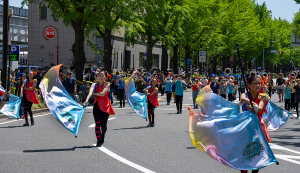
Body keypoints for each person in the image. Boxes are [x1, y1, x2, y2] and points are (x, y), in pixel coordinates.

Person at [240, 76, 271, 173]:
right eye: (254, 83)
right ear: (248, 85)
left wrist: (256, 108)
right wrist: (252, 103)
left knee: (258, 152)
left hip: (258, 127)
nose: (257, 85)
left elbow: (260, 108)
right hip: (246, 126)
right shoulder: (244, 94)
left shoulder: (263, 96)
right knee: (245, 151)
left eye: (259, 83)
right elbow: (242, 99)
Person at [84, 71, 115, 147]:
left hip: (105, 106)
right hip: (97, 106)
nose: (101, 77)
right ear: (97, 76)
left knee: (103, 126)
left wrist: (94, 94)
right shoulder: (94, 84)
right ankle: (98, 141)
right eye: (100, 75)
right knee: (97, 124)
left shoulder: (107, 84)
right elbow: (90, 93)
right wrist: (86, 100)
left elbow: (102, 94)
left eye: (103, 75)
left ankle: (102, 135)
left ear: (105, 77)